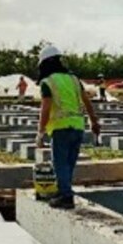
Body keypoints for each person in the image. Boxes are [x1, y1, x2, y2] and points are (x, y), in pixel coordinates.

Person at [36, 45, 101, 209]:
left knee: (60, 163)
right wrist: (94, 122)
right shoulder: (74, 79)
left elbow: (46, 108)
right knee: (69, 163)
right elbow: (87, 101)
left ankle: (65, 196)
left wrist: (40, 133)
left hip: (61, 128)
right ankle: (63, 190)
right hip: (78, 126)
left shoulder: (47, 82)